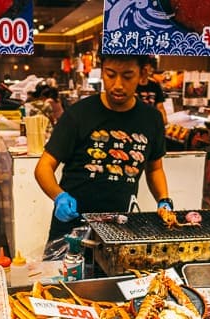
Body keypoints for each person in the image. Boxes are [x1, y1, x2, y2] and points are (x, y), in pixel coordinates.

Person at [35, 54, 172, 245]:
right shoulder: (79, 114)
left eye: (127, 76)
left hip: (120, 227)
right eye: (110, 74)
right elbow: (43, 167)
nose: (117, 84)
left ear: (142, 75)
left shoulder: (151, 119)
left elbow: (155, 168)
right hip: (71, 227)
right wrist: (59, 196)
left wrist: (164, 200)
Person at [136, 56, 167, 124]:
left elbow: (160, 107)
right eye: (144, 65)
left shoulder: (155, 85)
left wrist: (164, 121)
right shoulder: (133, 85)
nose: (146, 68)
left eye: (148, 65)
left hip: (151, 122)